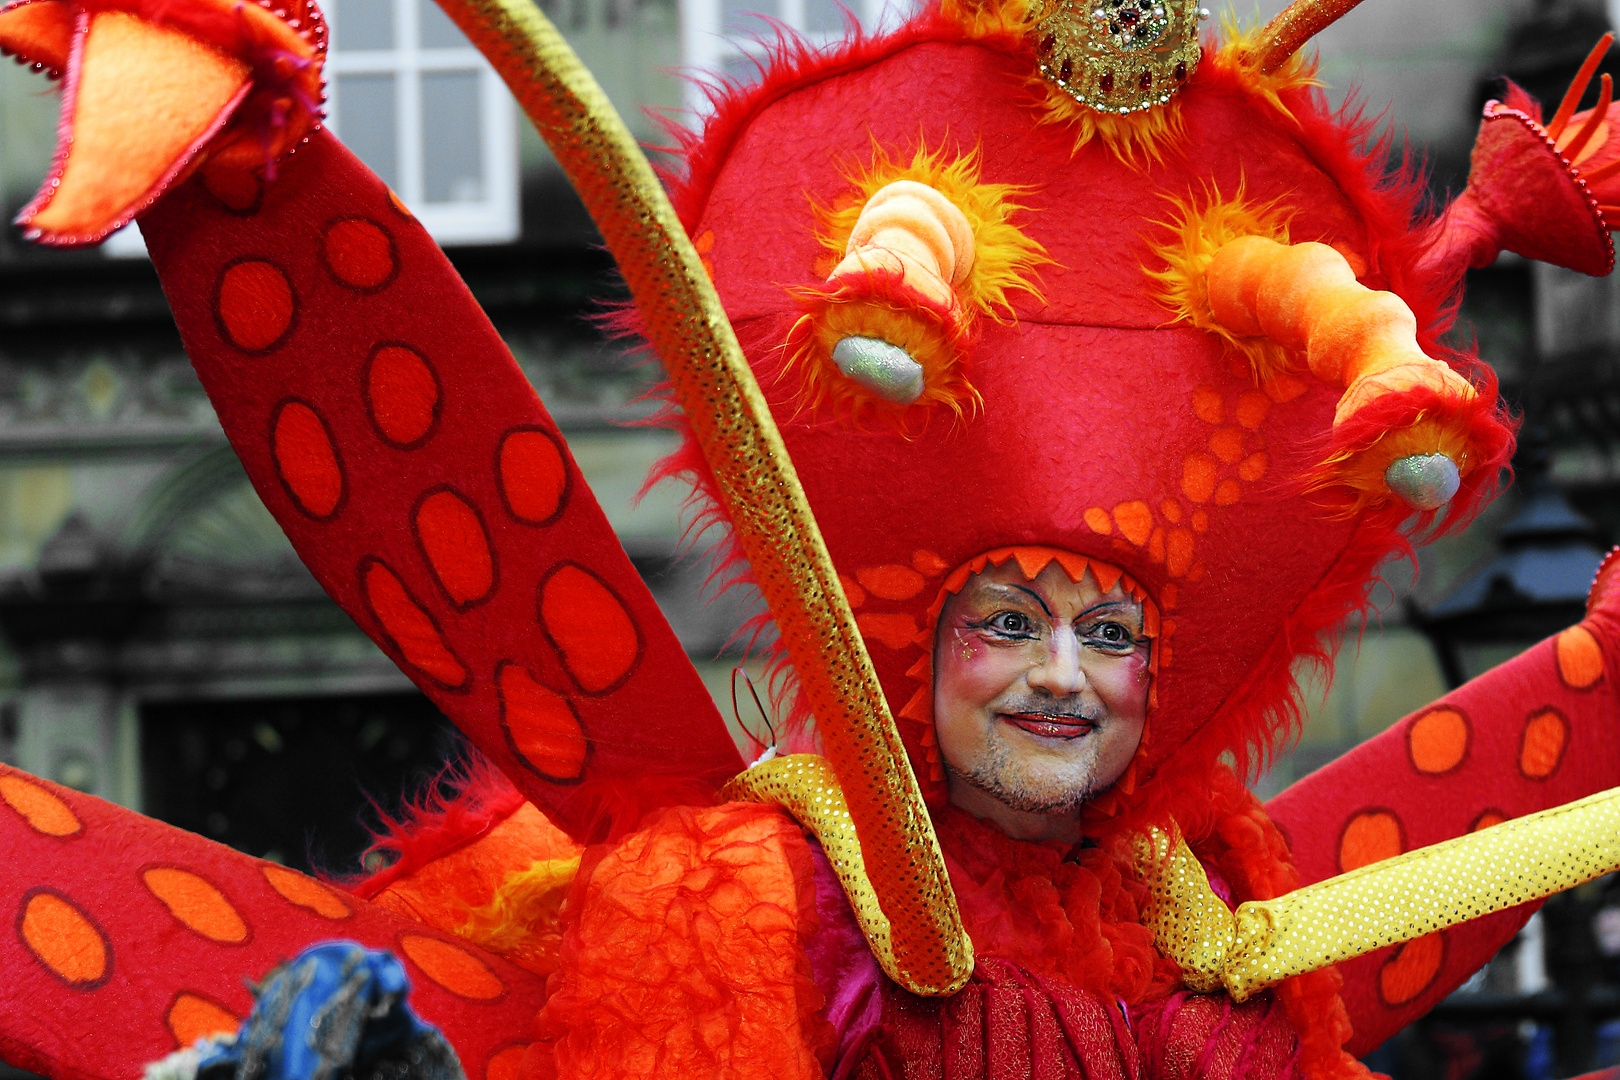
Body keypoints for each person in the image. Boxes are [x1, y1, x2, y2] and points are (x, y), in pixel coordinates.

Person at [3, 0, 1620, 1076]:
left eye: (1110, 635)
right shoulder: (754, 888)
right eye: (1010, 623)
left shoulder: (1216, 911)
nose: (1063, 678)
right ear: (924, 650)